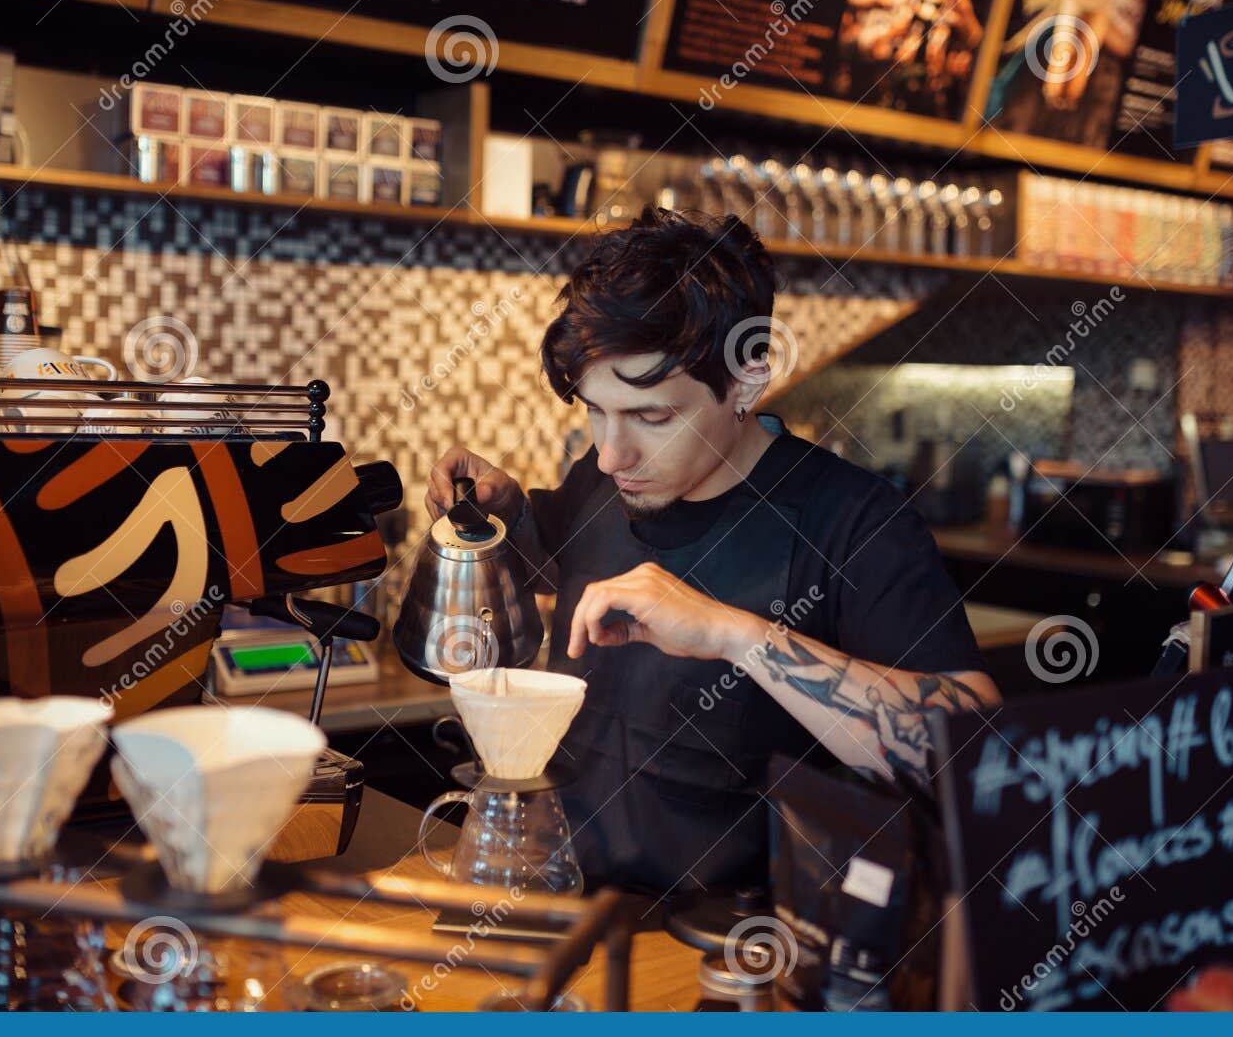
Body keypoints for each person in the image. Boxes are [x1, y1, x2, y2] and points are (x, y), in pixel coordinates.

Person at [427, 208, 998, 896]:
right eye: (596, 412)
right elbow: (562, 566)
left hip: (732, 944)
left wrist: (735, 635)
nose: (611, 454)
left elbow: (973, 754)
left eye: (651, 416)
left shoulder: (856, 522)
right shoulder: (605, 480)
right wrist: (498, 516)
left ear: (747, 381)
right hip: (565, 913)